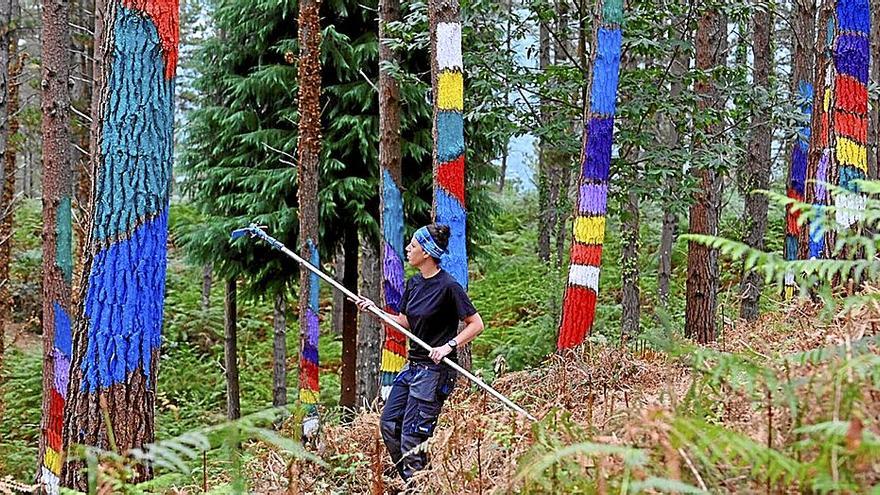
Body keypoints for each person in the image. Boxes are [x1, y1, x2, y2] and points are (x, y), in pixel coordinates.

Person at [356, 223, 484, 482]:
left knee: (413, 437)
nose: (407, 249)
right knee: (389, 426)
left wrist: (448, 346)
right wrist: (375, 311)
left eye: (413, 245)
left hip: (434, 372)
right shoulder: (413, 284)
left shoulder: (449, 287)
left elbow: (476, 324)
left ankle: (417, 484)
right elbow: (404, 322)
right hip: (412, 366)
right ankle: (412, 481)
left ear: (426, 252)